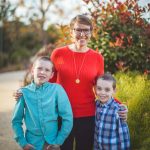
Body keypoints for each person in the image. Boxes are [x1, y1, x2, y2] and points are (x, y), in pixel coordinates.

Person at [14, 15, 128, 150]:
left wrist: (120, 106)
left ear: (91, 33)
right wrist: (24, 92)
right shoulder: (58, 54)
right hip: (61, 115)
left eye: (86, 30)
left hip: (88, 115)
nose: (82, 34)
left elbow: (103, 87)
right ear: (71, 32)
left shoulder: (97, 58)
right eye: (78, 29)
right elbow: (45, 81)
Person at [12, 56, 73, 150]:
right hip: (32, 144)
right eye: (39, 68)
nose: (42, 72)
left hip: (53, 143)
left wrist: (58, 141)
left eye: (47, 70)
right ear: (32, 71)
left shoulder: (57, 90)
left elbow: (67, 117)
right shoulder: (23, 93)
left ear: (52, 75)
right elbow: (16, 121)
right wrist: (23, 143)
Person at [94, 73, 130, 150]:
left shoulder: (118, 110)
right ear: (95, 89)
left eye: (107, 90)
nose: (102, 93)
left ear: (114, 91)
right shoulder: (96, 105)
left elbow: (123, 136)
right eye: (99, 88)